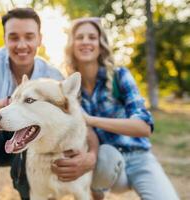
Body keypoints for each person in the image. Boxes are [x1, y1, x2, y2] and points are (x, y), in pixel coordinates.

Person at [0, 8, 98, 200]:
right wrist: (10, 103)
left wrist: (91, 156)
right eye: (13, 37)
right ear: (4, 38)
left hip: (31, 144)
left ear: (39, 39)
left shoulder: (53, 79)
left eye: (29, 36)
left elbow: (78, 119)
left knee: (33, 163)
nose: (22, 45)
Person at [60, 17, 179, 200]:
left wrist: (91, 120)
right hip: (104, 163)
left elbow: (144, 127)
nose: (85, 41)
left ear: (100, 44)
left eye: (92, 37)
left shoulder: (119, 75)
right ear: (72, 44)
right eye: (80, 37)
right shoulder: (69, 88)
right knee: (106, 155)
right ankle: (95, 191)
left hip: (139, 158)